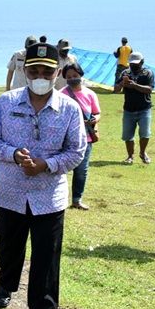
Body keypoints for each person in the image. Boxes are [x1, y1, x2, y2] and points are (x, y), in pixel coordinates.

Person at [0, 42, 86, 309]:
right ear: (24, 71)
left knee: (47, 254)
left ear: (58, 74)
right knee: (9, 246)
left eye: (46, 71)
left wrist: (47, 164)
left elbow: (76, 151)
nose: (39, 76)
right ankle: (6, 284)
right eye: (34, 70)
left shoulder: (69, 108)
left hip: (49, 196)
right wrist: (14, 154)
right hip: (11, 192)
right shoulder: (6, 103)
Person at [61, 63, 101, 210]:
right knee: (60, 168)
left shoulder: (90, 94)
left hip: (86, 138)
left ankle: (76, 200)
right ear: (64, 77)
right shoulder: (61, 94)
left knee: (81, 170)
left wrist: (95, 119)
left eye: (75, 76)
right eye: (69, 77)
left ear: (81, 75)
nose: (72, 79)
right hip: (64, 139)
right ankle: (59, 198)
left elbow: (97, 112)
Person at [114, 52, 154, 164]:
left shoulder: (148, 73)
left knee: (145, 133)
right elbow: (116, 89)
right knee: (127, 135)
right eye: (131, 64)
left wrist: (134, 85)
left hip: (144, 109)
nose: (133, 66)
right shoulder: (125, 73)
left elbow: (149, 89)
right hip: (128, 109)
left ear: (142, 62)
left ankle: (143, 153)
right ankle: (130, 156)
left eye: (136, 64)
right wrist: (122, 83)